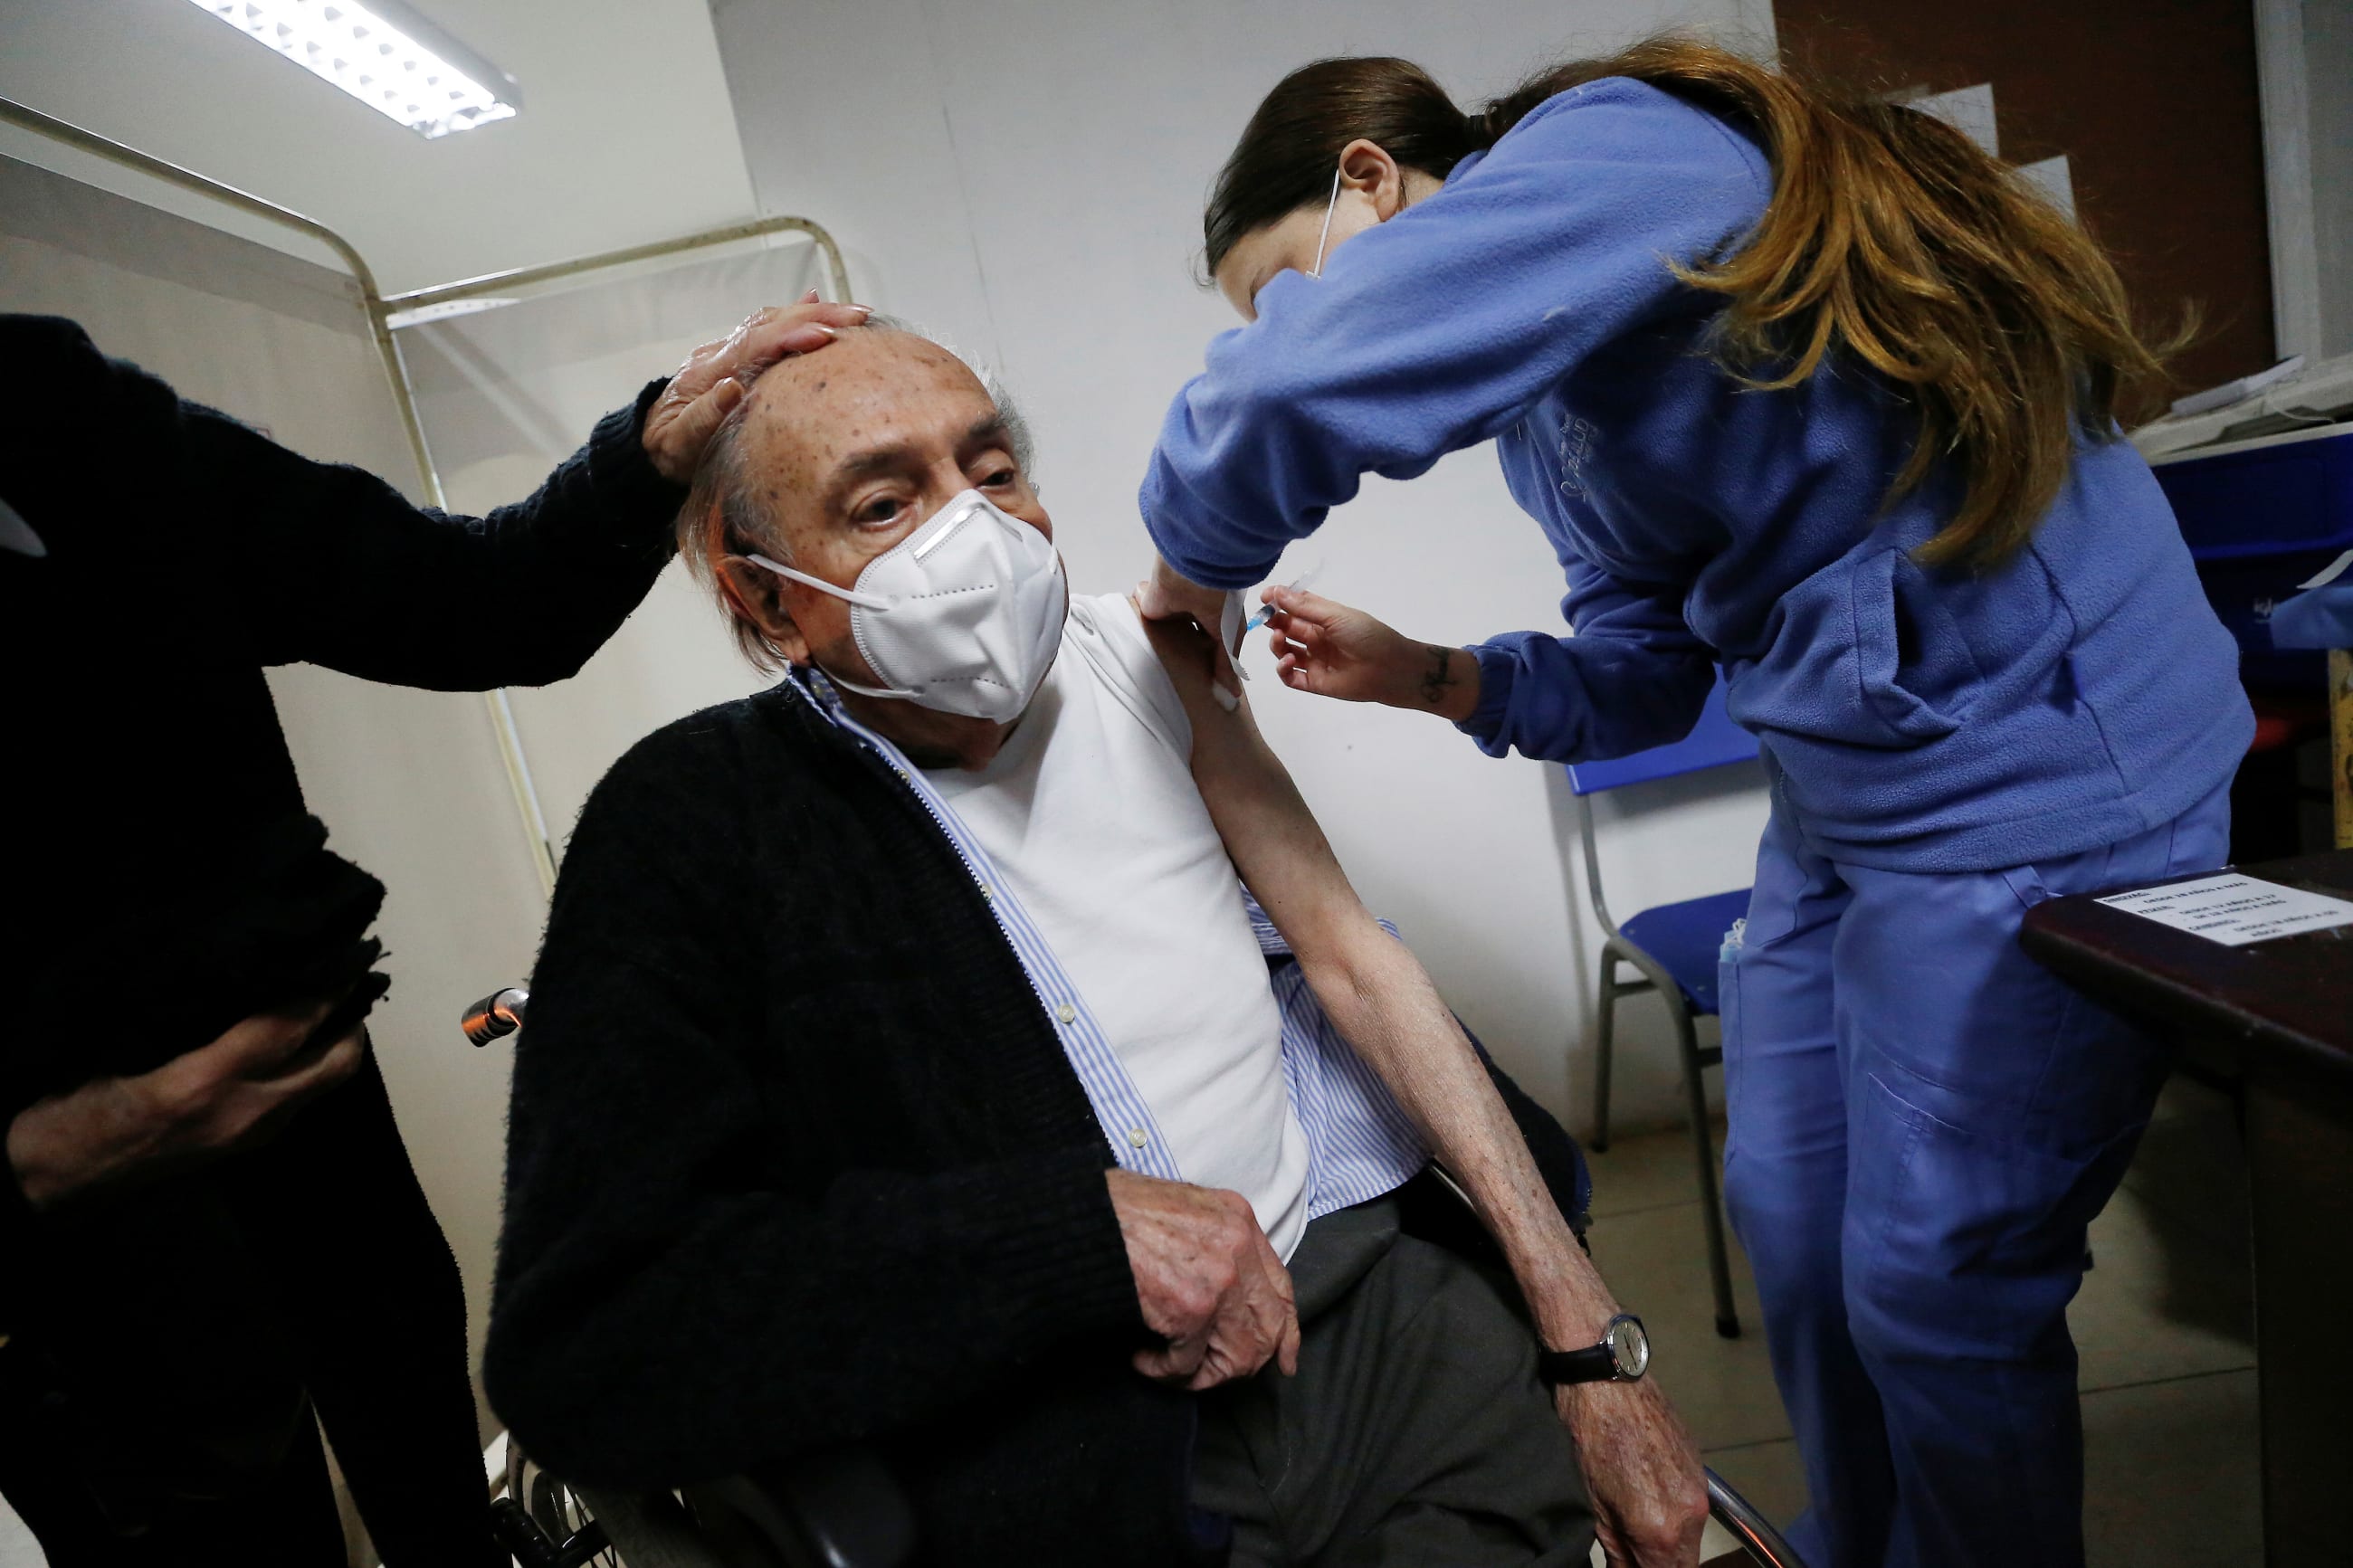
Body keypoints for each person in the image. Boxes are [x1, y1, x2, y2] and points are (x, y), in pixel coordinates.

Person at [1133, 39, 2249, 1568]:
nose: (1294, 324)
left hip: (2037, 777)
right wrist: (1437, 675)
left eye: (1288, 284)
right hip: (1850, 794)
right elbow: (1652, 668)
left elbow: (1302, 384)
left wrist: (1191, 568)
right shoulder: (1555, 417)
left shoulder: (1625, 150)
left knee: (1937, 1289)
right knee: (1792, 1229)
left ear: (1370, 182)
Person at [484, 318, 1712, 1568]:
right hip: (1070, 1435)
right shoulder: (687, 821)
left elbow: (1353, 959)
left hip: (1369, 1326)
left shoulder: (1150, 662)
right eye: (882, 503)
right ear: (765, 592)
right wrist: (1073, 1239)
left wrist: (1589, 1342)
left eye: (994, 469)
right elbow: (587, 1343)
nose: (981, 532)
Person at [0, 297, 867, 1567]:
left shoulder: (71, 423)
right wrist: (39, 1159)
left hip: (315, 1136)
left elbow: (479, 598)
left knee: (425, 1479)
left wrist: (644, 457)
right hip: (72, 1291)